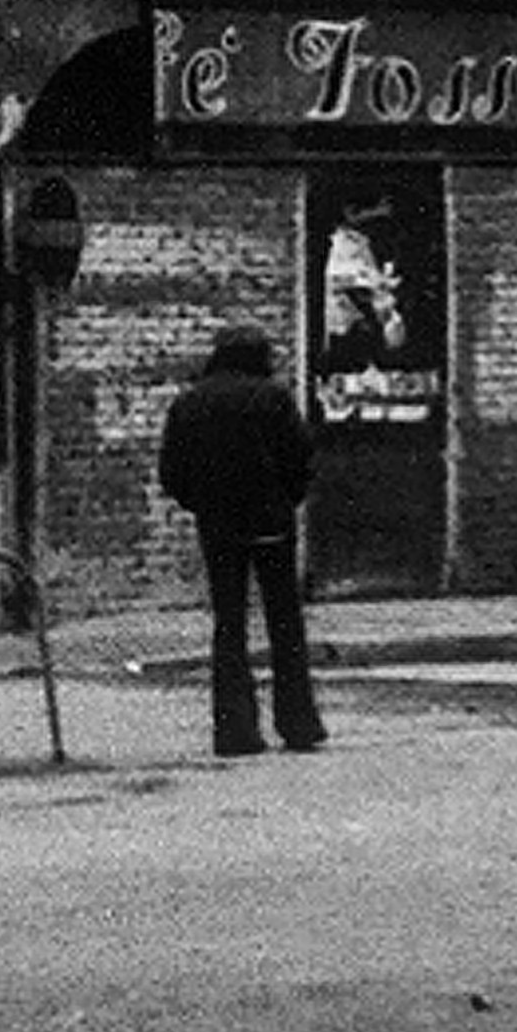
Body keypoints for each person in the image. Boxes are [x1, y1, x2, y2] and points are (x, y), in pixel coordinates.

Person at [152, 321, 326, 756]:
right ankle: (297, 723)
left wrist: (202, 504)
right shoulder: (273, 399)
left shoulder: (190, 403)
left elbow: (171, 472)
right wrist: (286, 498)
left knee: (228, 624)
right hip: (271, 523)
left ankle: (235, 731)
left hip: (219, 525)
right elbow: (301, 458)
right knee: (284, 621)